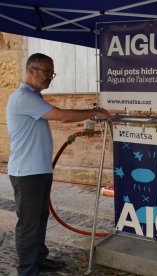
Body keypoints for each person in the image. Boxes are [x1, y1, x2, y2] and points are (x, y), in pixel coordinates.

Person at [6, 53, 113, 276]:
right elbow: (63, 116)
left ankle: (38, 259)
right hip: (27, 174)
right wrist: (94, 111)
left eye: (51, 73)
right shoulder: (23, 97)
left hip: (39, 171)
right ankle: (27, 270)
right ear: (31, 70)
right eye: (46, 72)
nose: (49, 78)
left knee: (40, 218)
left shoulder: (33, 97)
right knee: (29, 224)